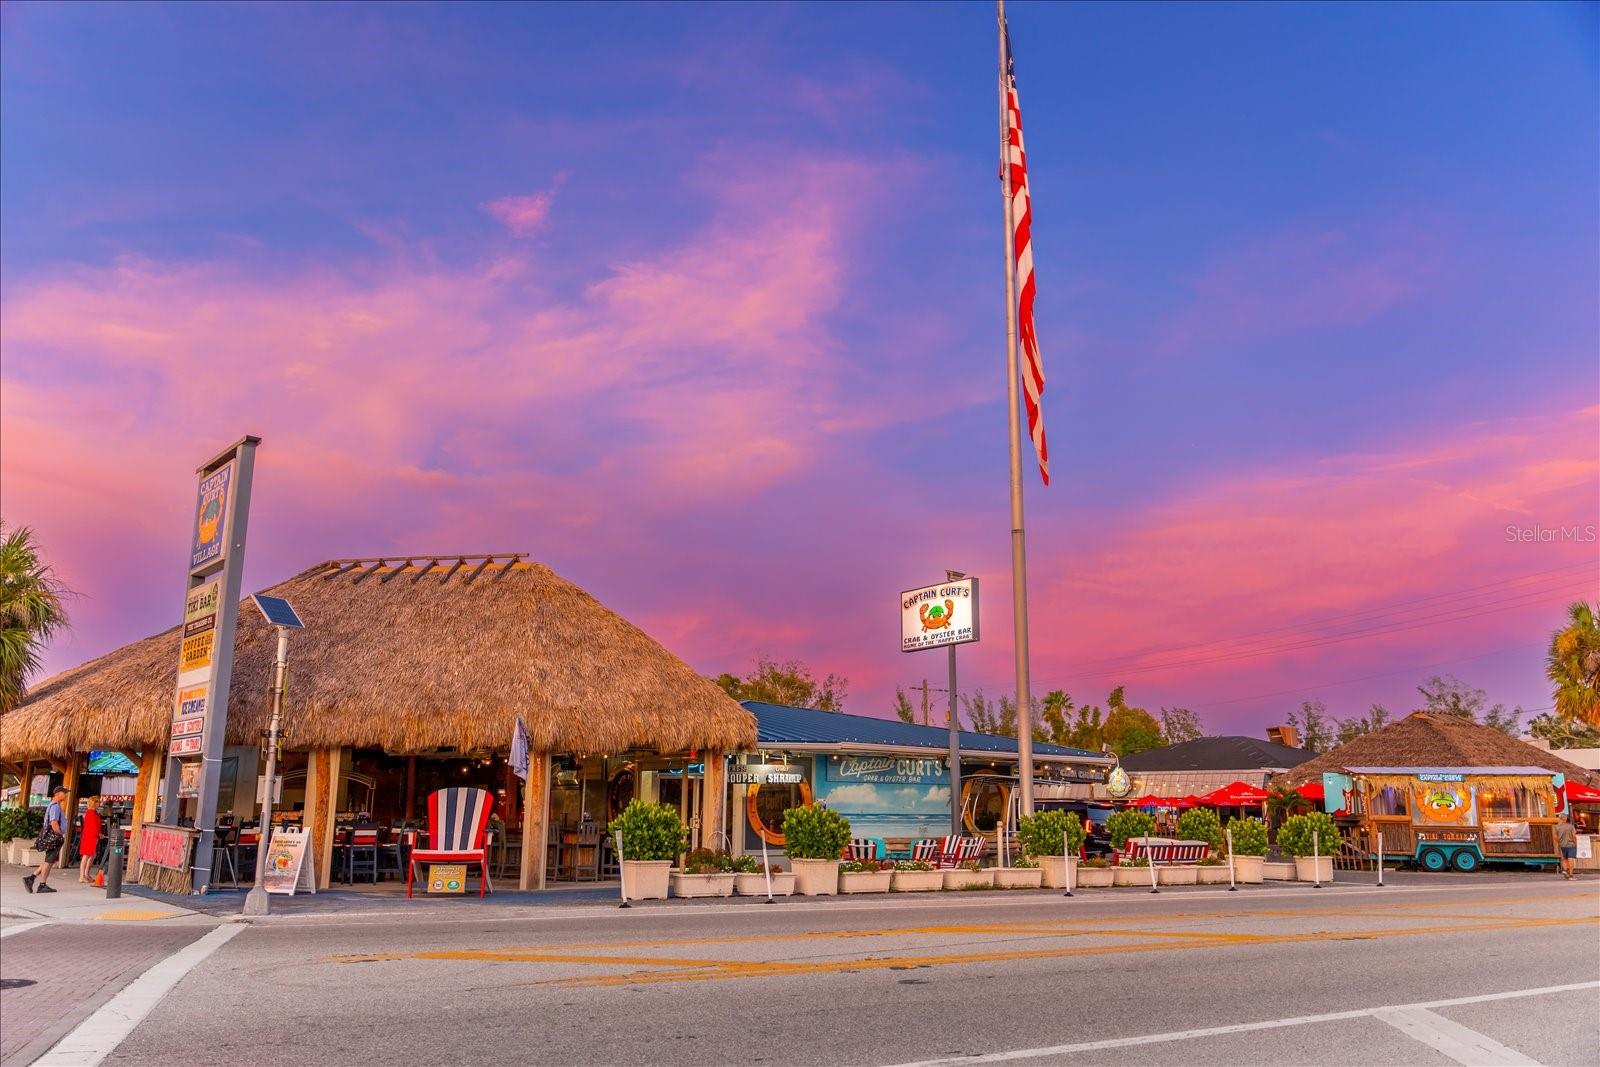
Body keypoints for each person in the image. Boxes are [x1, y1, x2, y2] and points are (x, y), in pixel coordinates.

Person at [24, 785, 70, 894]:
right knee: (49, 862)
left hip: (52, 836)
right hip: (54, 837)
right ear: (57, 794)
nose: (66, 795)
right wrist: (59, 835)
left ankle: (31, 878)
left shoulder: (54, 805)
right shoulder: (55, 807)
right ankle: (42, 885)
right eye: (64, 793)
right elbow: (53, 822)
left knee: (49, 860)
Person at [78, 798, 103, 883]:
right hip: (90, 836)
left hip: (93, 836)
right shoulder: (90, 813)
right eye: (98, 802)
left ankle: (86, 874)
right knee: (86, 855)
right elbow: (92, 826)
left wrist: (99, 833)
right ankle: (82, 876)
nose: (99, 803)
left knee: (92, 855)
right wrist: (98, 834)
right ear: (94, 803)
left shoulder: (94, 813)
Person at [1553, 812, 1578, 880]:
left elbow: (1555, 837)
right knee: (1570, 859)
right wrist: (1576, 844)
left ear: (1560, 818)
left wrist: (1560, 842)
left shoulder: (1556, 827)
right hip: (1571, 845)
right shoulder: (1570, 826)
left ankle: (1564, 870)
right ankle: (1571, 876)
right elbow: (1574, 836)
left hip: (1562, 845)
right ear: (1566, 818)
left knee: (1564, 859)